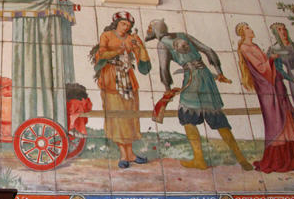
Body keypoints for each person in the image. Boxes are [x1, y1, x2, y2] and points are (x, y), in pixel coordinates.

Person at [146, 19, 252, 171]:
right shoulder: (183, 35)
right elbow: (208, 50)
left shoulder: (163, 44)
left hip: (192, 77)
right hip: (207, 76)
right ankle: (242, 159)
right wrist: (219, 73)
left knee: (187, 115)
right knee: (217, 116)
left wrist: (167, 87)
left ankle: (199, 159)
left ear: (155, 31)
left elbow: (164, 69)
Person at [90, 11, 151, 169]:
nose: (126, 27)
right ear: (116, 23)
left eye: (129, 25)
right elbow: (101, 54)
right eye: (123, 23)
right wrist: (119, 51)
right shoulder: (107, 35)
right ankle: (123, 154)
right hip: (111, 79)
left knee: (129, 116)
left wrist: (140, 48)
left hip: (128, 80)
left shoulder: (133, 38)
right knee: (116, 117)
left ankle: (130, 153)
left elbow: (144, 65)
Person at [236, 23, 294, 172]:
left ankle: (293, 158)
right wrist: (271, 59)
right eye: (247, 28)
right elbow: (260, 67)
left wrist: (272, 62)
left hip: (275, 84)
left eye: (249, 27)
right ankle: (280, 160)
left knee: (286, 118)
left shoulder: (255, 45)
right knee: (276, 123)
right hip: (268, 88)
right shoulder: (245, 48)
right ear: (242, 33)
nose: (251, 29)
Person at [268, 22, 294, 125]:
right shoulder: (276, 49)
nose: (283, 32)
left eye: (284, 29)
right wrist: (293, 80)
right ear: (275, 33)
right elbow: (279, 69)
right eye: (279, 30)